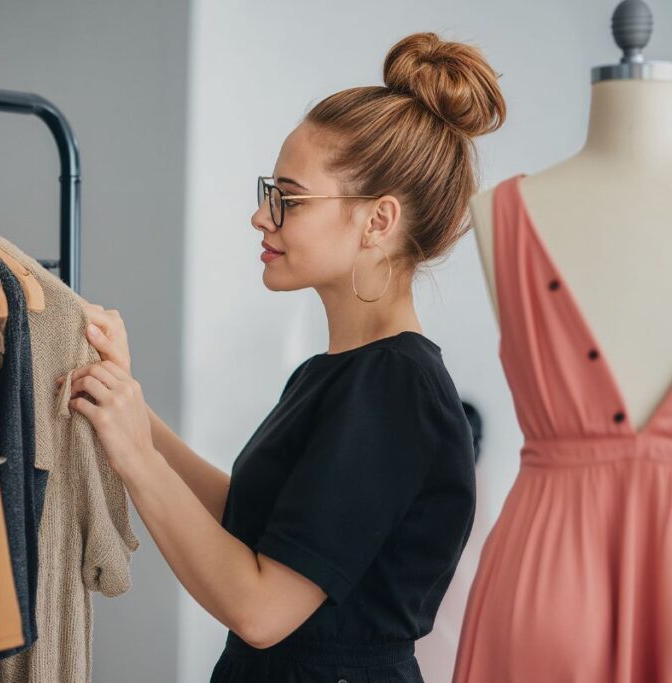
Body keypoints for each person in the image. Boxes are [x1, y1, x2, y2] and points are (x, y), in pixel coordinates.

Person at [56, 31, 504, 683]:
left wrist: (135, 456)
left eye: (287, 199)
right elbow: (254, 518)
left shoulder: (396, 389)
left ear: (377, 222)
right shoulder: (341, 373)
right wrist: (131, 410)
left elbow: (261, 608)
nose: (260, 218)